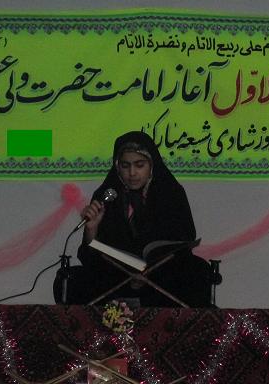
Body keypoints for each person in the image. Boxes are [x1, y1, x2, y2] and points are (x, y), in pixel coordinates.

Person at [56, 130, 212, 307]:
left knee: (199, 272)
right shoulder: (106, 196)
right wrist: (92, 229)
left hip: (161, 279)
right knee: (70, 280)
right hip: (117, 279)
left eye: (139, 165)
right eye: (125, 166)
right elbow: (90, 258)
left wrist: (151, 269)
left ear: (151, 165)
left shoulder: (172, 193)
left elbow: (184, 242)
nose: (132, 173)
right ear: (117, 167)